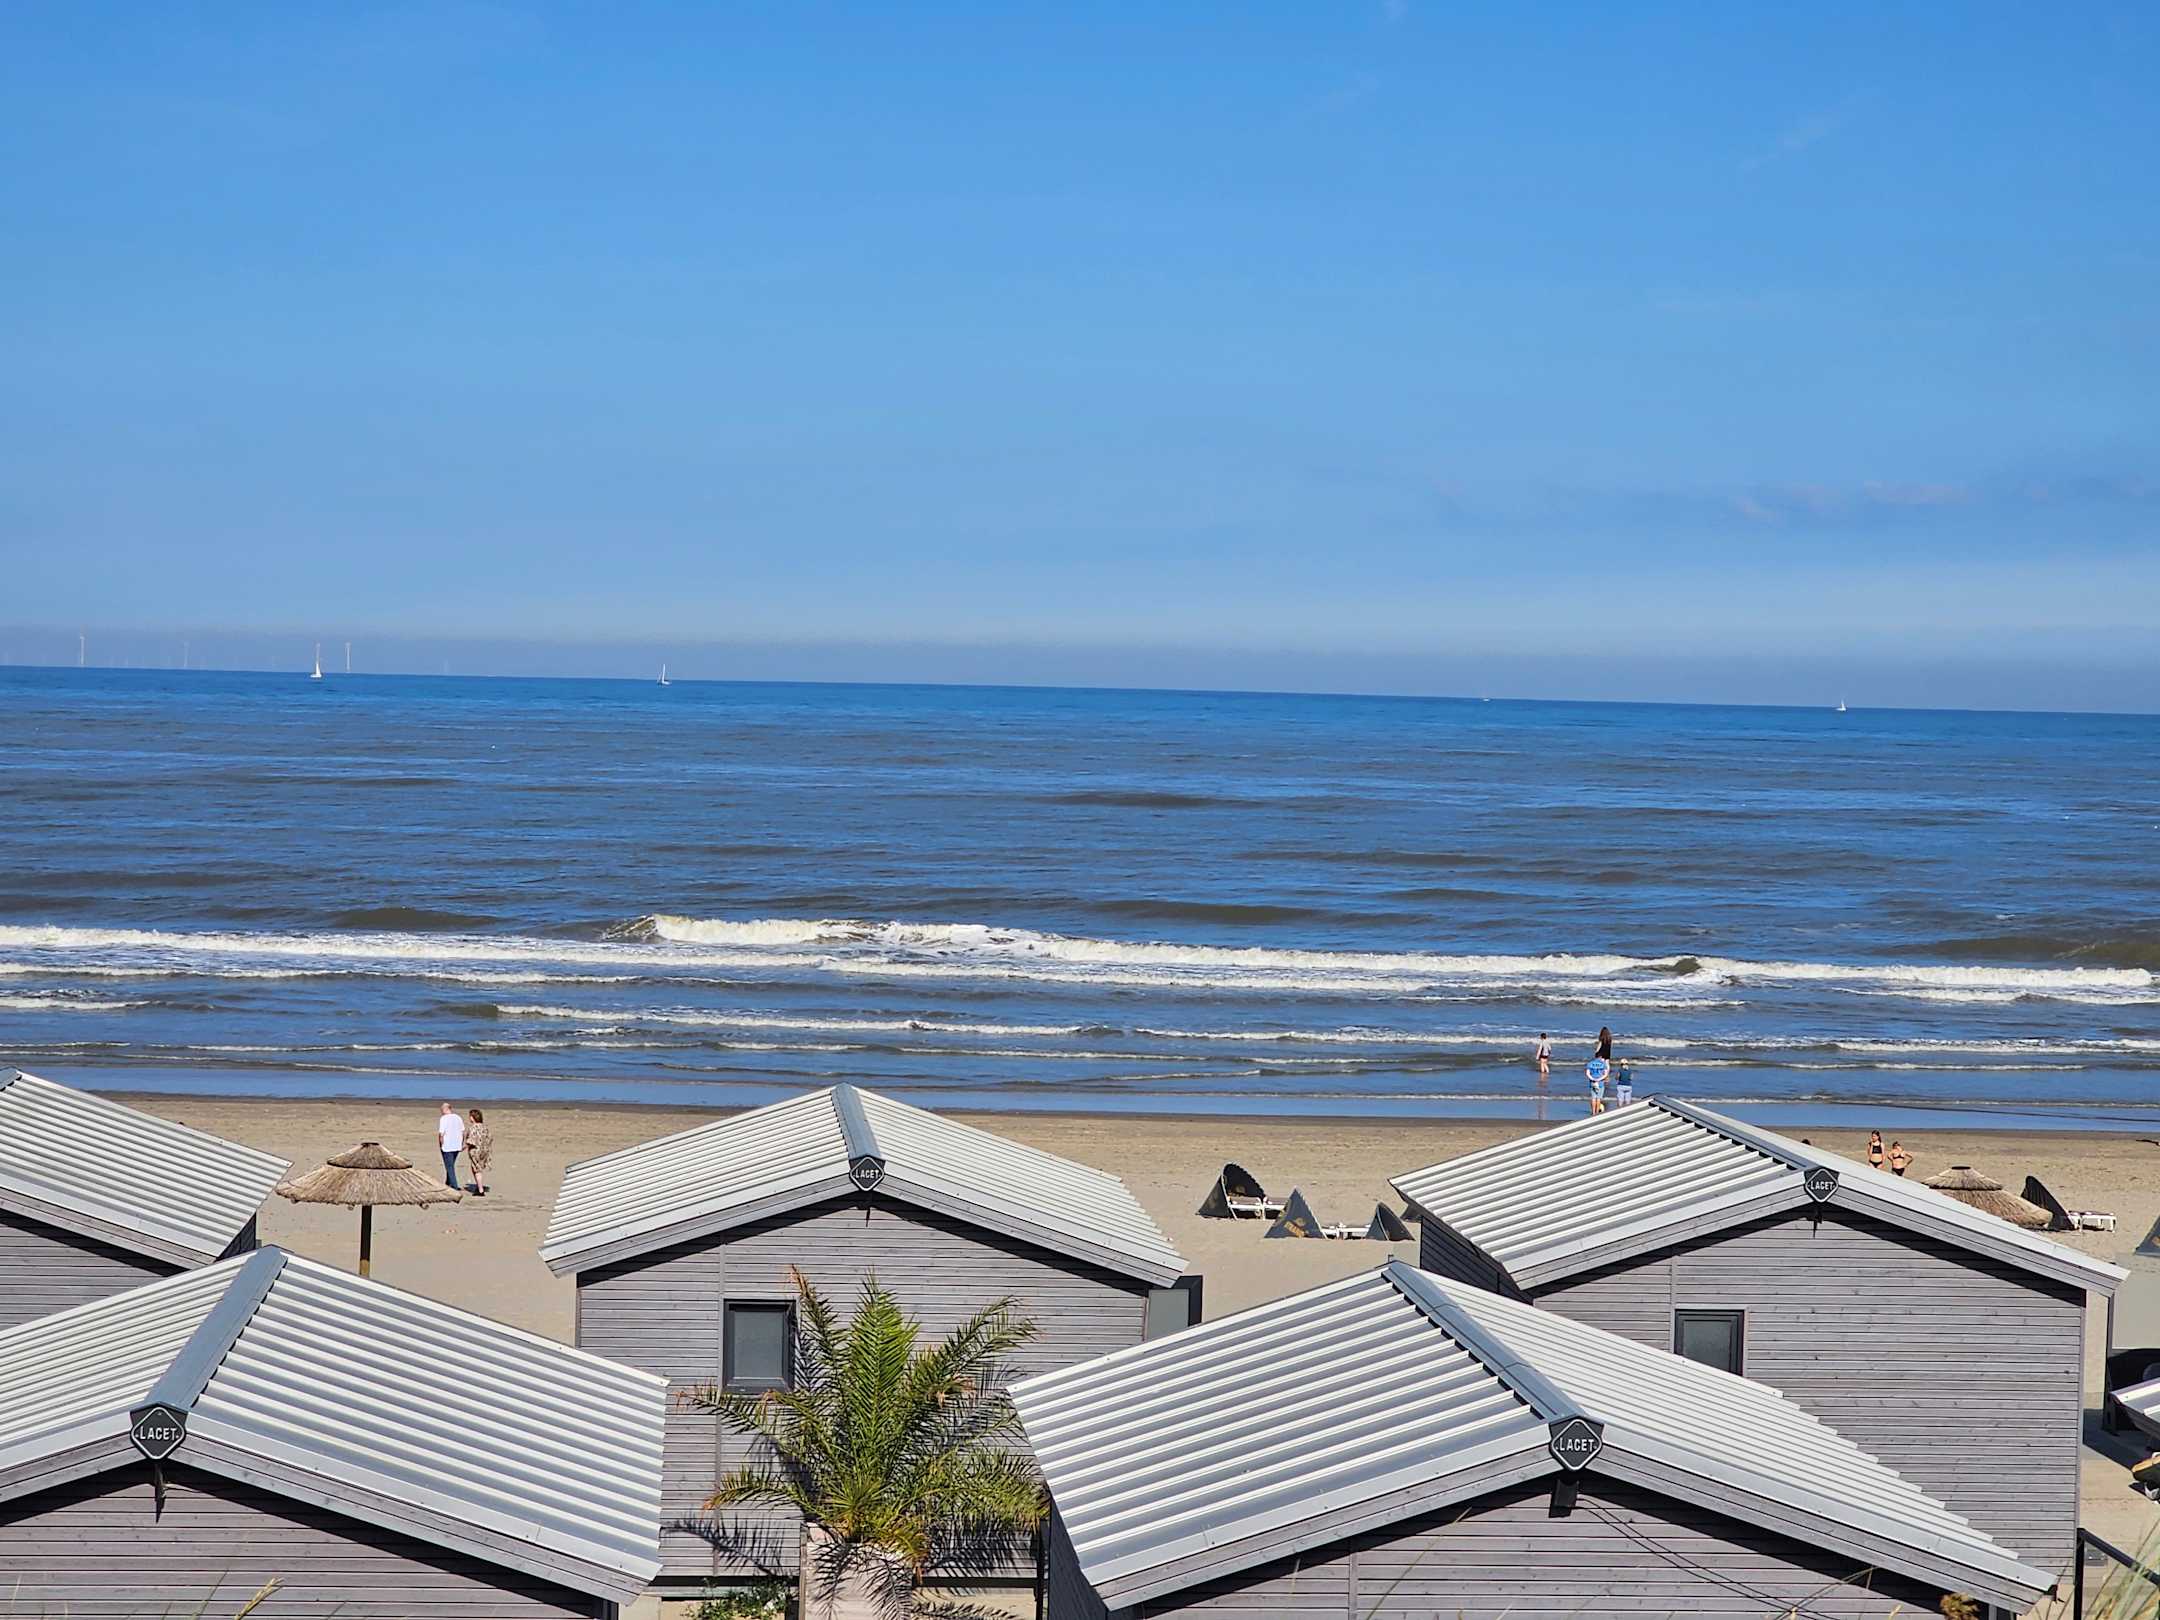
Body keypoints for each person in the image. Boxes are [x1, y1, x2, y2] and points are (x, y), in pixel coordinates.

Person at [464, 1107, 494, 1197]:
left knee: (477, 1169)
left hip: (475, 1150)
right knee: (477, 1168)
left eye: (470, 1116)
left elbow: (471, 1140)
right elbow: (490, 1138)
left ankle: (480, 1190)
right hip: (484, 1150)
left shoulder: (473, 1127)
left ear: (473, 1117)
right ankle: (479, 1186)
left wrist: (464, 1147)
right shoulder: (485, 1128)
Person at [436, 1103, 465, 1189]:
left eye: (442, 1110)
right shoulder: (458, 1117)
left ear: (446, 1109)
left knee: (449, 1166)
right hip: (457, 1145)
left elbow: (441, 1134)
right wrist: (461, 1143)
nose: (441, 1111)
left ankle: (454, 1185)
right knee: (450, 1165)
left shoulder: (444, 1118)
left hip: (447, 1146)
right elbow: (463, 1132)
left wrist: (441, 1144)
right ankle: (448, 1182)